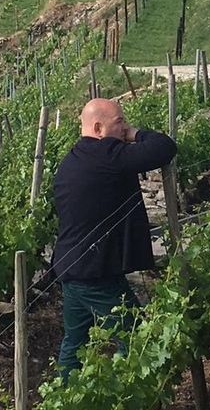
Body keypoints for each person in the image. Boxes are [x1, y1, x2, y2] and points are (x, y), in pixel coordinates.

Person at [51, 98, 177, 377]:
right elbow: (164, 147)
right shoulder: (107, 155)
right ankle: (130, 392)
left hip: (72, 268)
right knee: (136, 338)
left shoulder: (73, 159)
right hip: (96, 273)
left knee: (74, 343)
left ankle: (64, 395)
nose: (125, 127)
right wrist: (137, 135)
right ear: (98, 128)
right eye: (119, 122)